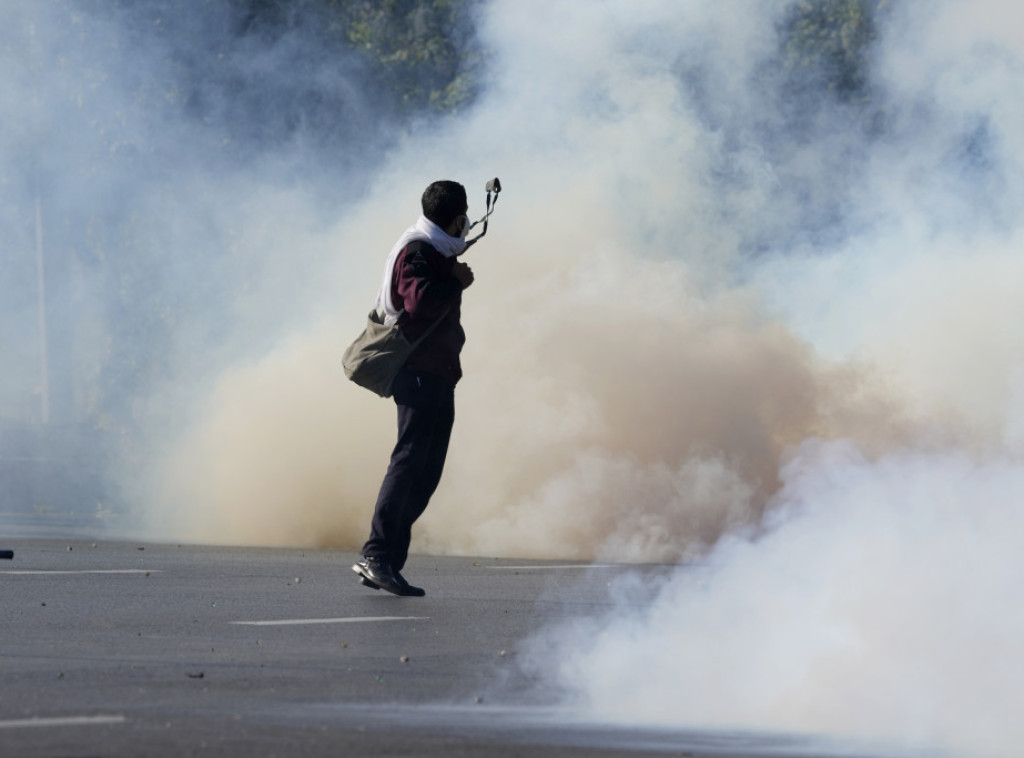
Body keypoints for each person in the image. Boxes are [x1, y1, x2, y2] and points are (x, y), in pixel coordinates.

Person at [352, 180, 474, 597]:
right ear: (456, 219)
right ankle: (377, 556)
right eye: (464, 218)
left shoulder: (431, 246)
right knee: (409, 463)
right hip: (418, 370)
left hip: (435, 371)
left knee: (426, 470)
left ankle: (387, 561)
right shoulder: (418, 249)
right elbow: (418, 302)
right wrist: (456, 280)